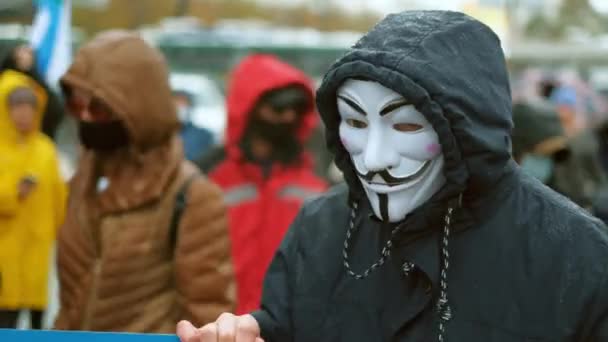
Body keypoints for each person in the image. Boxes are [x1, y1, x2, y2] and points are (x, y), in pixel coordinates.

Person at [178, 11, 608, 341]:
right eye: (355, 123)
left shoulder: (580, 256)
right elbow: (286, 324)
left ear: (468, 124)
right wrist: (251, 332)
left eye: (405, 126)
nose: (374, 159)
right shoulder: (320, 229)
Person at [53, 30, 234, 332]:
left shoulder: (191, 195)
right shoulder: (82, 182)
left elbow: (207, 317)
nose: (83, 117)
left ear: (138, 108)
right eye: (75, 106)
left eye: (98, 108)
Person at [196, 54, 328, 315]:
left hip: (293, 328)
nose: (288, 117)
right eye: (278, 108)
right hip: (221, 328)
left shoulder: (320, 180)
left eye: (297, 109)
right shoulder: (207, 177)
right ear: (248, 108)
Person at [0, 70, 67, 329]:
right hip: (6, 251)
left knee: (38, 319)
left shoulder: (45, 148)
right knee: (7, 318)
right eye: (17, 107)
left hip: (38, 249)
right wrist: (13, 193)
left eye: (30, 107)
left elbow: (59, 196)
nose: (24, 114)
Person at [0, 42, 65, 140]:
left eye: (29, 53)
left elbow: (54, 107)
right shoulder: (8, 81)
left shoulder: (37, 82)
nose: (26, 56)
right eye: (22, 51)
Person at [173, 89, 215, 162]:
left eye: (183, 103)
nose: (180, 107)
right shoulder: (162, 137)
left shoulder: (203, 135)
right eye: (176, 103)